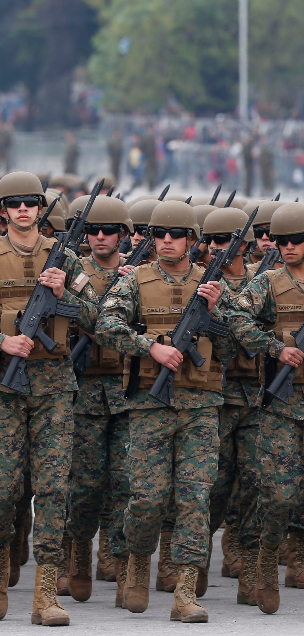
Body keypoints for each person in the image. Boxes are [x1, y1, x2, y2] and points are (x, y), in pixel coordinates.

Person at [95, 200, 230, 623]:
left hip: (200, 406)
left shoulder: (213, 286)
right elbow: (106, 324)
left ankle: (185, 591)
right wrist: (150, 345)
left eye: (174, 234)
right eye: (159, 234)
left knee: (193, 498)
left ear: (192, 240)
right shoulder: (135, 280)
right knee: (148, 498)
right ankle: (135, 562)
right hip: (150, 405)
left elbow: (233, 346)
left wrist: (216, 310)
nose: (166, 241)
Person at [224, 202, 304, 620]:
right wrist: (277, 348)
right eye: (280, 241)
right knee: (279, 495)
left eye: (295, 240)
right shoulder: (267, 283)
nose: (287, 247)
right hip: (282, 404)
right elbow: (235, 319)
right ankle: (265, 562)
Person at [0, 171, 100, 626]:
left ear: (42, 209)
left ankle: (45, 594)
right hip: (4, 387)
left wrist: (65, 293)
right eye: (14, 202)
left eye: (31, 202)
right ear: (3, 210)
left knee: (54, 489)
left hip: (54, 387)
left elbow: (100, 317)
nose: (24, 209)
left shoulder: (66, 260)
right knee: (4, 488)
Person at [64, 195, 134, 606]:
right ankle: (78, 553)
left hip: (127, 390)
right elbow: (79, 316)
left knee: (126, 484)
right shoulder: (75, 272)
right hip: (86, 390)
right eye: (93, 230)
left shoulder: (137, 276)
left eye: (109, 230)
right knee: (86, 485)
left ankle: (124, 566)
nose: (101, 237)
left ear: (123, 234)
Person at [198, 207, 265, 606]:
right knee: (214, 486)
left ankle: (249, 567)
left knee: (256, 483)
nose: (214, 248)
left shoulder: (265, 281)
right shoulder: (200, 281)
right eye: (210, 241)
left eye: (223, 241)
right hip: (216, 397)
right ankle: (196, 558)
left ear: (243, 244)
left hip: (258, 394)